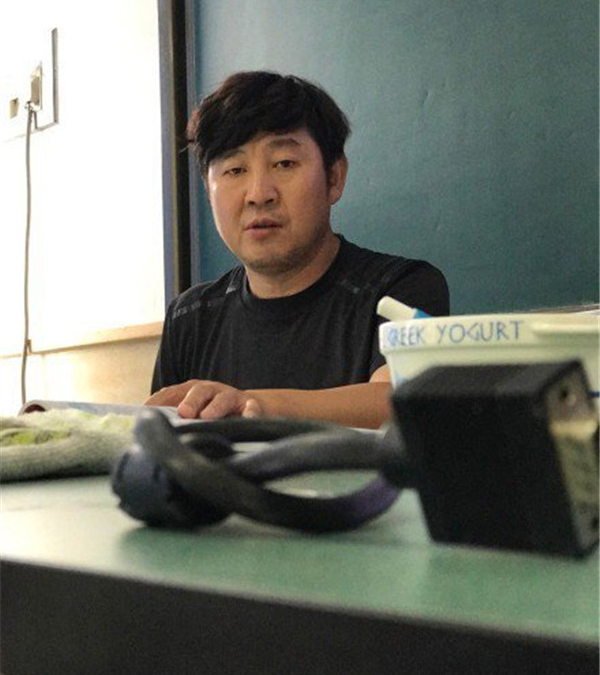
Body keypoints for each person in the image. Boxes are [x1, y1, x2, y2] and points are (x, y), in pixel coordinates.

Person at [146, 71, 449, 428]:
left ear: (334, 178)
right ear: (208, 190)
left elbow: (401, 402)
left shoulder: (400, 290)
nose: (259, 194)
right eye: (235, 170)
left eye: (284, 164)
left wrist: (254, 405)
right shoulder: (190, 317)